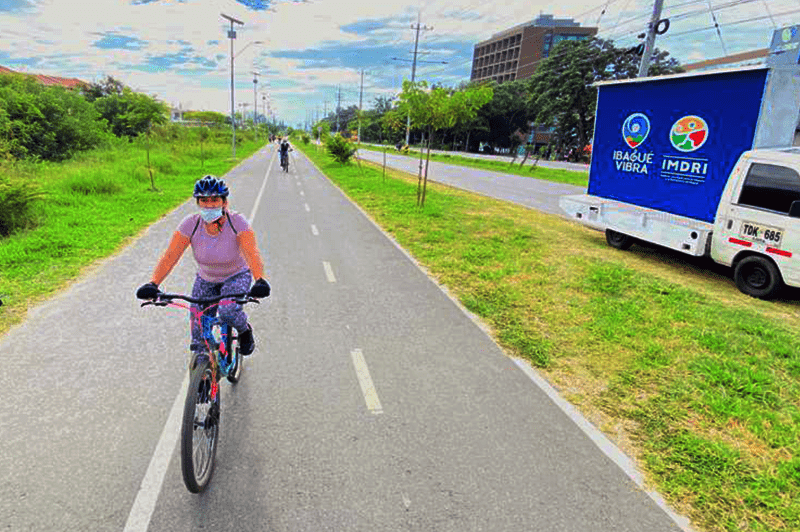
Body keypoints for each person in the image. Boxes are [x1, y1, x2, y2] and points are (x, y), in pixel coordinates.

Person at [136, 175, 270, 356]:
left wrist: (259, 280)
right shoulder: (190, 224)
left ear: (224, 202)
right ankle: (202, 371)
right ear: (198, 202)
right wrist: (153, 284)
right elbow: (170, 256)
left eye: (214, 200)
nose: (209, 205)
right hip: (206, 278)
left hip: (236, 276)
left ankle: (245, 330)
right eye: (204, 200)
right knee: (198, 329)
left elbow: (251, 253)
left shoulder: (237, 222)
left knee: (228, 311)